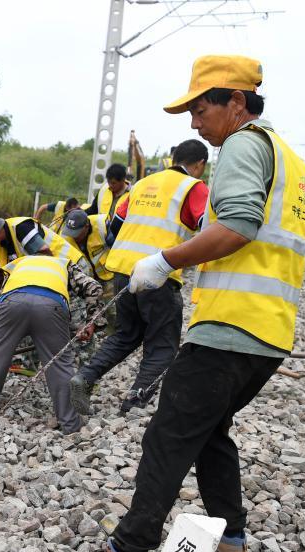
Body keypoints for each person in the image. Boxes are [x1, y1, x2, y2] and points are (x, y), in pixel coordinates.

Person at [53, 55, 305, 552]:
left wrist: (166, 260)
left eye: (201, 107)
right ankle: (232, 540)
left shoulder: (244, 144)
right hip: (269, 333)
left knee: (168, 436)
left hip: (229, 327)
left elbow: (240, 224)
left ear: (236, 103)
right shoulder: (291, 159)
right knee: (211, 432)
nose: (194, 122)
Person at [68, 140, 209, 415]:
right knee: (163, 344)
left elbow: (113, 231)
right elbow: (208, 227)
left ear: (174, 158)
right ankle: (134, 403)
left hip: (122, 271)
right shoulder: (193, 187)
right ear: (200, 164)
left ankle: (85, 377)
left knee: (126, 334)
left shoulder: (142, 185)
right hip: (158, 274)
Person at [0, 254, 103, 434]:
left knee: (0, 352)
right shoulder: (64, 263)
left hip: (13, 302)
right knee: (59, 363)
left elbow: (0, 298)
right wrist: (92, 321)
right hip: (51, 305)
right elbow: (94, 288)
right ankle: (70, 424)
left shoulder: (15, 265)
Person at [0, 212, 86, 312]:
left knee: (72, 312)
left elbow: (44, 254)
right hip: (57, 271)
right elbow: (3, 271)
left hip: (72, 266)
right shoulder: (0, 244)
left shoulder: (21, 228)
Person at [60, 208, 114, 284]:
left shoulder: (102, 226)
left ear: (86, 226)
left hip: (110, 277)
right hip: (87, 283)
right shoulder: (64, 237)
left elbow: (118, 249)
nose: (73, 236)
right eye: (70, 232)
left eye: (76, 233)